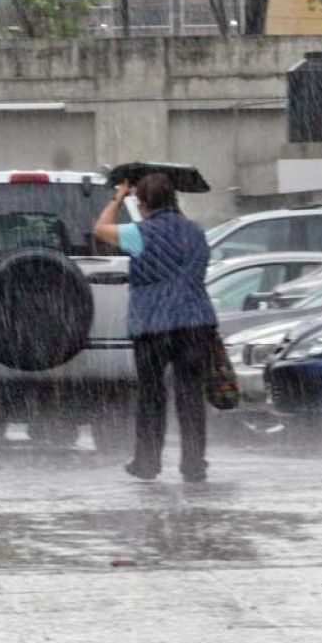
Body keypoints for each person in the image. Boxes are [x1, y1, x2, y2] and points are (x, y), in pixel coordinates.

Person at [93, 173, 218, 483]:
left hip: (152, 324)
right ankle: (193, 465)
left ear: (143, 203)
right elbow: (182, 230)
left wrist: (118, 198)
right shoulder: (196, 232)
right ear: (175, 201)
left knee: (152, 395)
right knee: (190, 395)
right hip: (195, 322)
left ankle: (147, 463)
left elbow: (99, 229)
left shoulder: (139, 233)